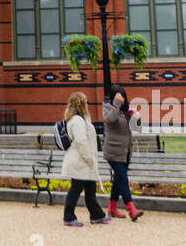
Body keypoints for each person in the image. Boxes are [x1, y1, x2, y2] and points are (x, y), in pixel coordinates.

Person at [60, 91, 108, 226]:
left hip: (83, 162)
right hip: (80, 161)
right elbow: (81, 142)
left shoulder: (81, 120)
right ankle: (68, 217)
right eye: (86, 102)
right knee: (76, 189)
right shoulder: (77, 121)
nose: (88, 104)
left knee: (90, 189)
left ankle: (97, 215)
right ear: (81, 104)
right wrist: (89, 159)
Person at [102, 89, 142, 221]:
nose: (122, 99)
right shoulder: (108, 108)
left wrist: (137, 118)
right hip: (113, 152)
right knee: (123, 179)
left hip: (125, 152)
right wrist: (117, 103)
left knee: (118, 180)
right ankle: (131, 210)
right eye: (119, 97)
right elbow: (110, 120)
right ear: (114, 98)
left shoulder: (125, 112)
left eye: (123, 96)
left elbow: (137, 129)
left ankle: (112, 208)